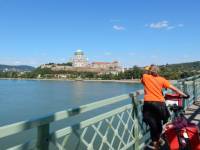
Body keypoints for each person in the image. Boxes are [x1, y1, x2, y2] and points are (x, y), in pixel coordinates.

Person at [141, 65, 188, 149]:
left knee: (153, 126)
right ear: (158, 72)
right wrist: (184, 95)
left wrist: (148, 69)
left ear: (150, 71)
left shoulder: (145, 77)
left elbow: (144, 73)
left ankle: (156, 144)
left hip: (149, 104)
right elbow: (175, 89)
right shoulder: (162, 79)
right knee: (157, 124)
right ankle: (158, 140)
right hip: (160, 105)